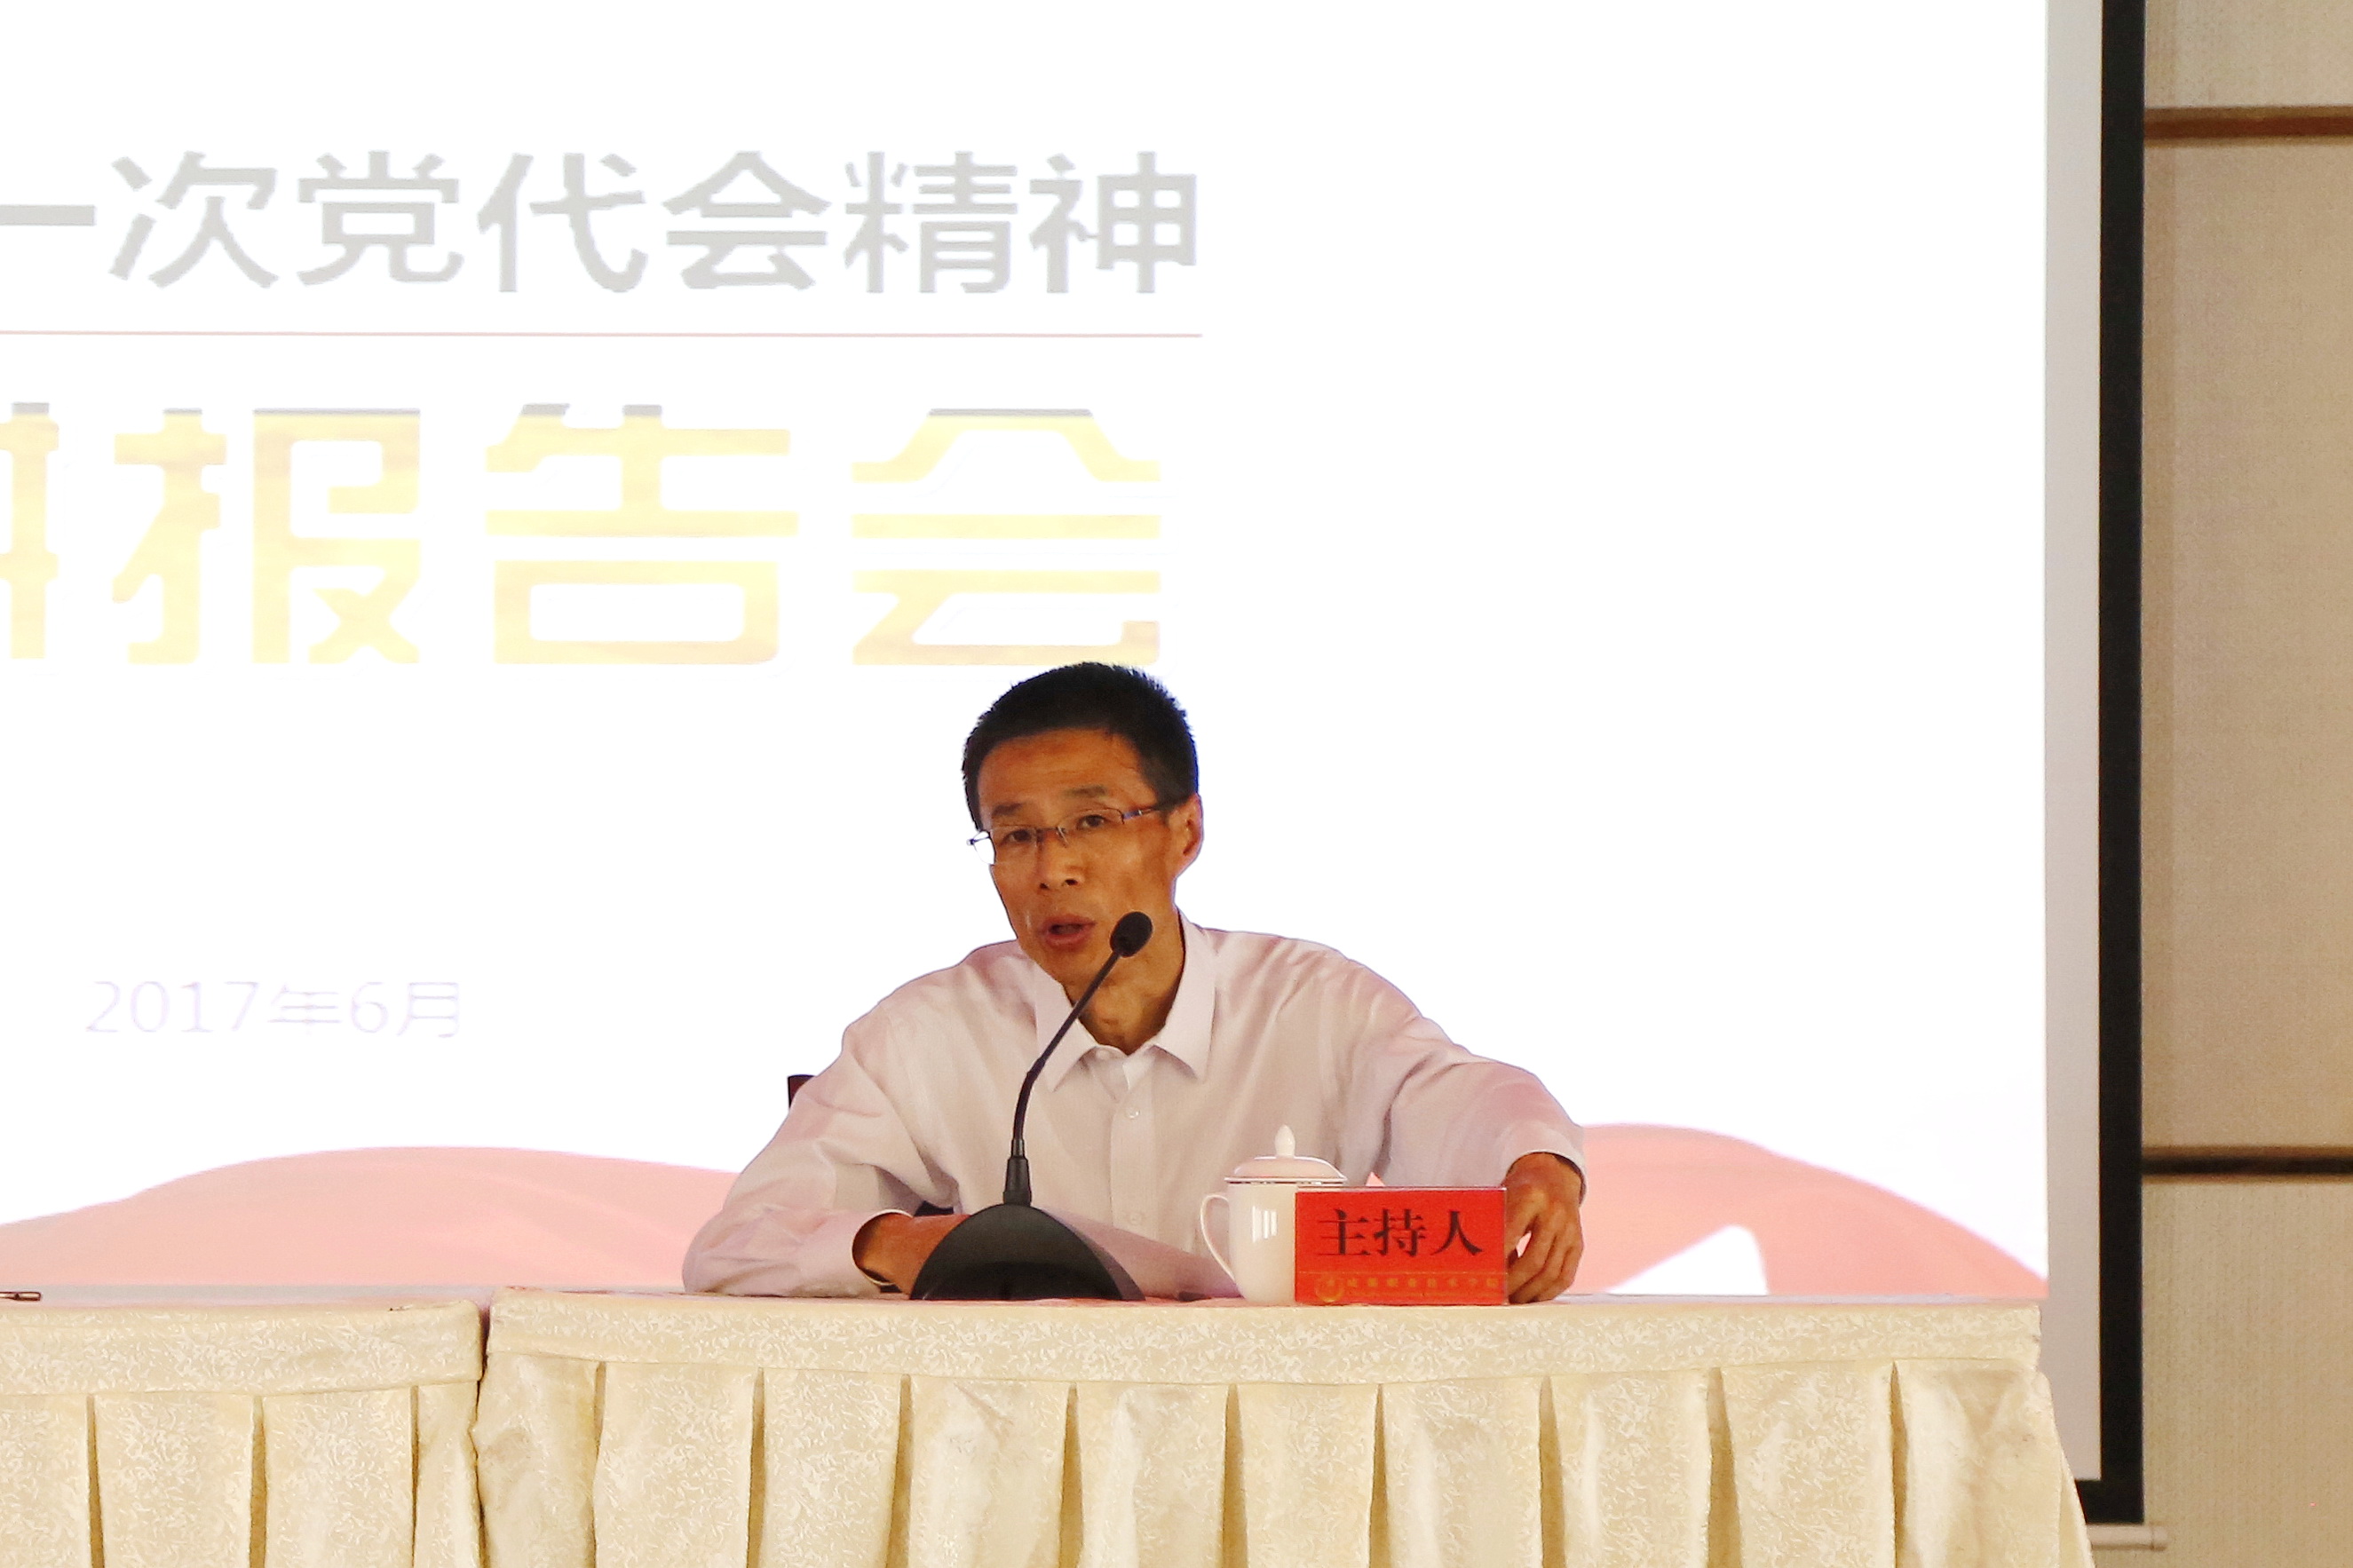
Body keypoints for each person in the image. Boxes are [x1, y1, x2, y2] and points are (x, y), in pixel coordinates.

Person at [685, 664, 1587, 1302]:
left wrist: (1537, 1167)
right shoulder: (928, 1030)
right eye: (1017, 835)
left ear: (1184, 831)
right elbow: (734, 1244)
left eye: (1092, 821)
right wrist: (898, 1241)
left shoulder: (1313, 1003)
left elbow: (1462, 1097)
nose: (1054, 869)